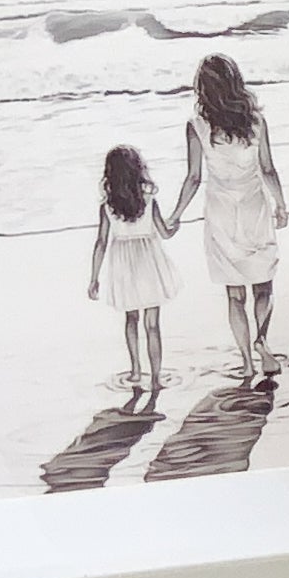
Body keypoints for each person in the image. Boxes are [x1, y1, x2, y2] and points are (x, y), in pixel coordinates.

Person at [170, 51, 289, 380]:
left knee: (235, 294)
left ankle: (247, 362)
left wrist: (176, 214)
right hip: (254, 207)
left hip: (221, 212)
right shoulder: (255, 121)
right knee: (263, 285)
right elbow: (267, 168)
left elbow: (193, 178)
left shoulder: (197, 126)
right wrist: (281, 203)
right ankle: (262, 340)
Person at [84, 142, 178, 398]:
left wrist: (94, 278)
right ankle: (156, 377)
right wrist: (175, 224)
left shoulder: (107, 207)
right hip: (149, 261)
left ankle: (136, 370)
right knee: (153, 324)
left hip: (123, 264)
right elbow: (165, 232)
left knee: (131, 319)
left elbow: (101, 242)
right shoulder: (149, 200)